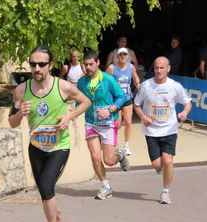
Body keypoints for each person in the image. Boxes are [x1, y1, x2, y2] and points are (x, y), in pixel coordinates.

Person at [8, 46, 91, 222]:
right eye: (33, 64)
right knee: (46, 194)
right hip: (36, 148)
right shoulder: (21, 90)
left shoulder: (62, 87)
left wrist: (69, 117)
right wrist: (20, 114)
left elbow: (86, 102)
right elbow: (12, 122)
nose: (37, 68)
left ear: (51, 65)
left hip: (58, 147)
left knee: (46, 186)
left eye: (42, 64)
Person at [133, 57, 192, 204]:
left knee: (168, 160)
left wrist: (184, 113)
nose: (158, 71)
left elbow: (188, 103)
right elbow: (136, 105)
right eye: (156, 68)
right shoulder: (146, 86)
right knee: (157, 165)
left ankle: (165, 192)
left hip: (169, 129)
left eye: (161, 68)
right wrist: (143, 117)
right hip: (151, 130)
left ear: (168, 69)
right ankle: (162, 169)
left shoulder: (175, 86)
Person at [76, 50, 129, 200]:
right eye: (85, 64)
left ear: (98, 63)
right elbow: (79, 99)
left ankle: (120, 156)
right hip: (91, 123)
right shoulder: (82, 82)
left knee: (109, 161)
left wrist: (111, 109)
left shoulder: (108, 79)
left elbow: (122, 96)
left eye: (91, 64)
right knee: (94, 156)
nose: (88, 67)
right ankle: (106, 187)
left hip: (108, 123)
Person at [105, 47, 141, 155]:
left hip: (127, 98)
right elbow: (104, 80)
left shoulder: (130, 67)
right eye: (121, 55)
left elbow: (136, 77)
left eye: (125, 54)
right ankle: (114, 143)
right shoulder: (112, 68)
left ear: (128, 56)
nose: (123, 56)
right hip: (116, 100)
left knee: (129, 122)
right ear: (117, 57)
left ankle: (126, 145)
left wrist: (137, 83)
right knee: (118, 124)